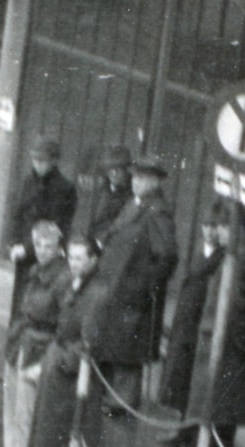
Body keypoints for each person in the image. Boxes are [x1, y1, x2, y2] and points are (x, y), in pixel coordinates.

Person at [159, 197, 245, 447]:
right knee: (211, 399)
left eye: (223, 227)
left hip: (229, 342)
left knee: (222, 402)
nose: (218, 232)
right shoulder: (234, 255)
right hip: (216, 337)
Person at [87, 153, 178, 417]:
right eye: (135, 176)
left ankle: (121, 403)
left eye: (142, 178)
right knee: (113, 344)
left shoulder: (157, 212)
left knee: (127, 352)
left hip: (132, 295)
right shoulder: (134, 204)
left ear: (155, 182)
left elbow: (167, 257)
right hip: (115, 288)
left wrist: (141, 288)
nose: (135, 182)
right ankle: (107, 397)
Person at [29, 235, 106, 447]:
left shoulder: (97, 292)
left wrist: (66, 361)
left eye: (79, 258)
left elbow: (91, 338)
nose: (73, 263)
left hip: (71, 373)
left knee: (63, 433)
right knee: (48, 430)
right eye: (71, 257)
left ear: (93, 260)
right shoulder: (76, 284)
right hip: (58, 362)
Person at [2, 220, 70, 447]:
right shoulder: (33, 271)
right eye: (38, 244)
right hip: (20, 340)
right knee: (12, 404)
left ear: (59, 249)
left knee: (27, 410)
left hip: (39, 346)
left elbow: (63, 322)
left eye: (49, 246)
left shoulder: (62, 278)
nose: (43, 250)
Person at [5, 135, 78, 316]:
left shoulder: (64, 189)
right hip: (22, 253)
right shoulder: (28, 182)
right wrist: (14, 243)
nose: (37, 164)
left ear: (53, 161)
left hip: (43, 256)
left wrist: (29, 247)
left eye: (42, 160)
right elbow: (18, 214)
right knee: (20, 303)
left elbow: (56, 227)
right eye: (35, 159)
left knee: (39, 305)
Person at [89, 145, 132, 245]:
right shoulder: (103, 189)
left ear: (126, 170)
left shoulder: (130, 194)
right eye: (110, 169)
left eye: (118, 169)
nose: (114, 173)